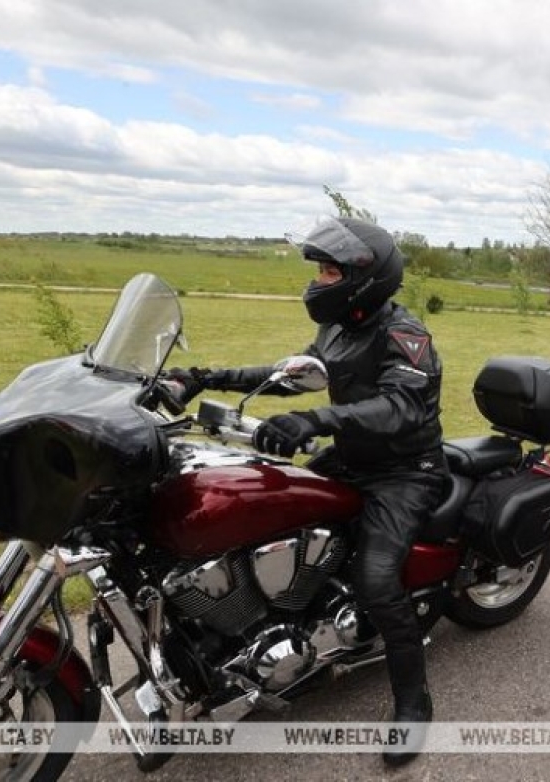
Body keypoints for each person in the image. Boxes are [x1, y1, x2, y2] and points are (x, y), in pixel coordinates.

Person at [166, 216, 445, 768]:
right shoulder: (338, 325)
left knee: (377, 578)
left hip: (405, 470)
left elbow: (401, 407)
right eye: (319, 270)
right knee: (272, 511)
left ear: (365, 278)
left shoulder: (405, 335)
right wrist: (202, 375)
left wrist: (314, 420)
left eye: (329, 270)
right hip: (351, 457)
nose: (319, 281)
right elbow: (288, 374)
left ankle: (413, 703)